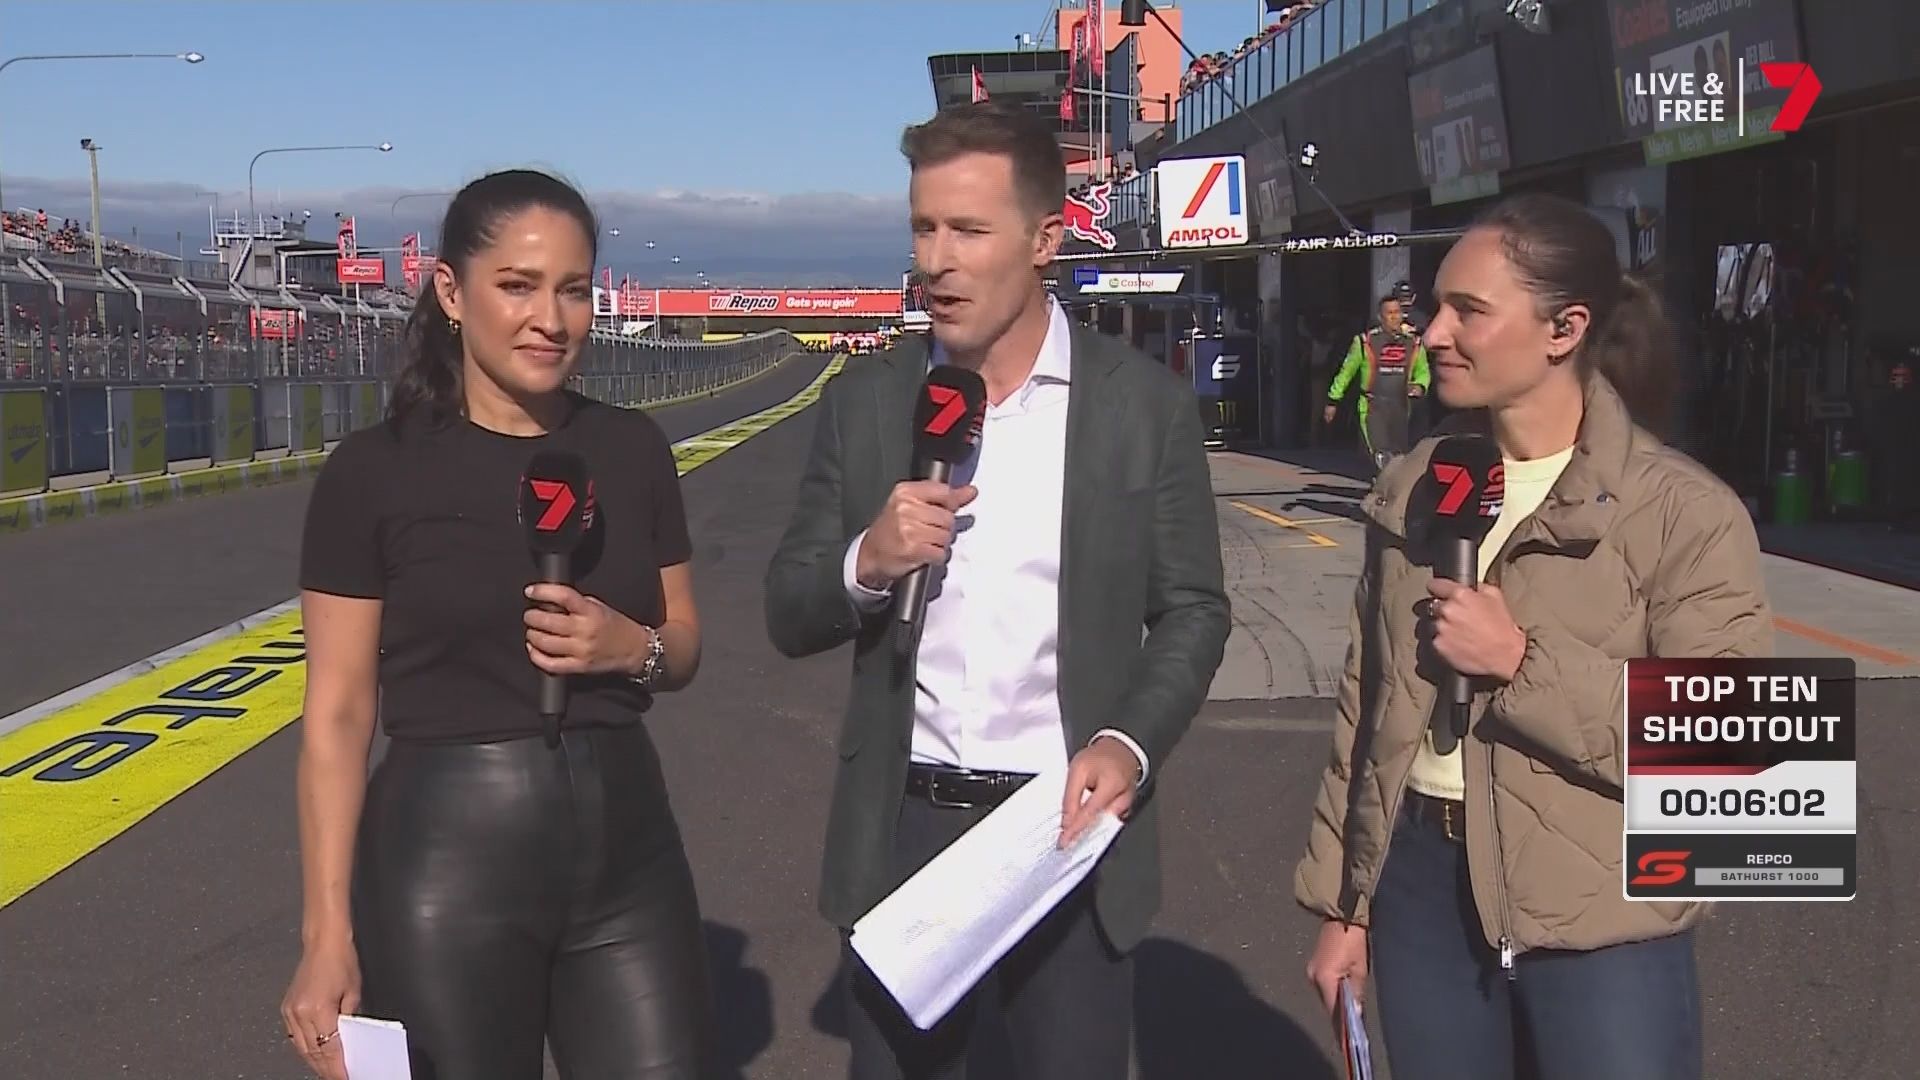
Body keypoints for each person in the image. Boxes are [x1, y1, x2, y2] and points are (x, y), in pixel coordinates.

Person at [763, 101, 1230, 1080]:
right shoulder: (866, 402)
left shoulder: (1141, 407)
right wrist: (867, 562)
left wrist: (1129, 741)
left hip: (1059, 830)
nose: (936, 261)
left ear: (1045, 240)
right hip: (904, 825)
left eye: (968, 231)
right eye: (923, 228)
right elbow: (790, 607)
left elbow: (1194, 606)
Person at [1295, 192, 1773, 1080]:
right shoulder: (1415, 484)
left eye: (1468, 311)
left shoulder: (1684, 510)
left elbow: (1732, 747)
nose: (1434, 333)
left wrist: (1518, 663)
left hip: (1605, 903)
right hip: (1420, 886)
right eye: (1436, 307)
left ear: (1565, 329)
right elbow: (1367, 709)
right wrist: (1344, 904)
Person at [280, 169, 714, 1080]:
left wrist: (629, 648)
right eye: (518, 286)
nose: (549, 319)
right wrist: (326, 936)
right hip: (444, 867)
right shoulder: (373, 473)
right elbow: (338, 716)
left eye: (573, 290)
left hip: (630, 856)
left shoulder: (632, 448)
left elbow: (681, 645)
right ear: (451, 292)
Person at [1324, 293, 1431, 470]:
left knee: (1399, 454)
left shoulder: (1414, 343)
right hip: (1372, 406)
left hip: (1402, 406)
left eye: (1397, 312)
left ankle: (1388, 484)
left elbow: (1423, 370)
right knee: (1380, 453)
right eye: (1389, 313)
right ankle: (1382, 481)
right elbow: (1346, 373)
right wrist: (1332, 401)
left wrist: (1420, 385)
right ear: (1380, 317)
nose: (1394, 317)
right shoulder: (1364, 342)